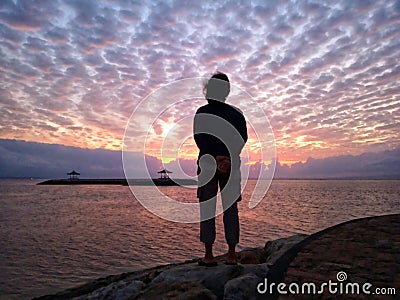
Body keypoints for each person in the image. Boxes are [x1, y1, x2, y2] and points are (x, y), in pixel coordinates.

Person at [193, 72, 248, 266]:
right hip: (230, 164)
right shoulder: (236, 114)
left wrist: (216, 158)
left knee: (207, 209)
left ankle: (209, 256)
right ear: (226, 91)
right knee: (230, 209)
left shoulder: (202, 112)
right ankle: (231, 255)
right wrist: (227, 158)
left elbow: (200, 139)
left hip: (208, 163)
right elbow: (241, 138)